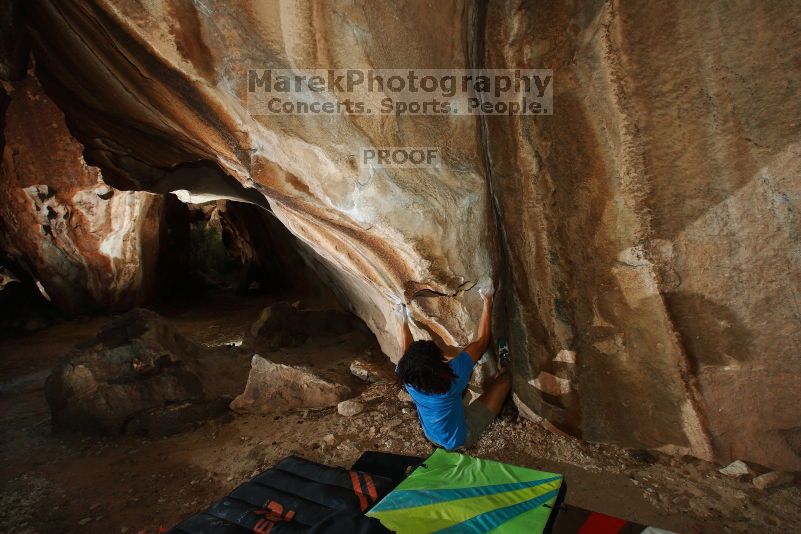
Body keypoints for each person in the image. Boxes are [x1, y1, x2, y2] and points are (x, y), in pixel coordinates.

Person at [394, 282, 511, 450]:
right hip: (460, 438)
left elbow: (407, 353)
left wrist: (402, 322)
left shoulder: (408, 378)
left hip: (431, 434)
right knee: (505, 381)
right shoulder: (451, 379)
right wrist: (487, 301)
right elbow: (482, 342)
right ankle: (505, 363)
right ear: (437, 361)